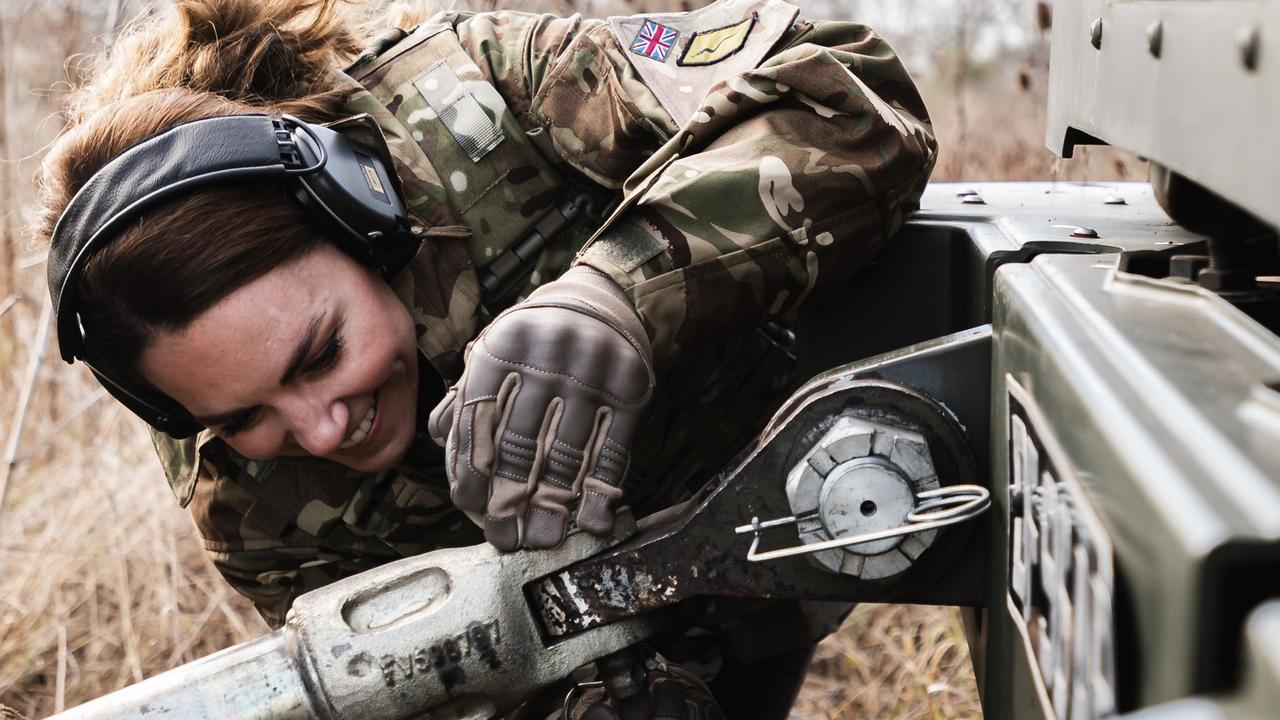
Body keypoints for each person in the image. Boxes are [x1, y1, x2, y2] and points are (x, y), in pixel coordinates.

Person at [36, 0, 936, 715]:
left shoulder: (490, 99)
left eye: (320, 353)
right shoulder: (241, 503)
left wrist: (619, 294)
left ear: (363, 215)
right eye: (242, 417)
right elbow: (407, 688)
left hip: (813, 503)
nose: (320, 427)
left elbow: (850, 96)